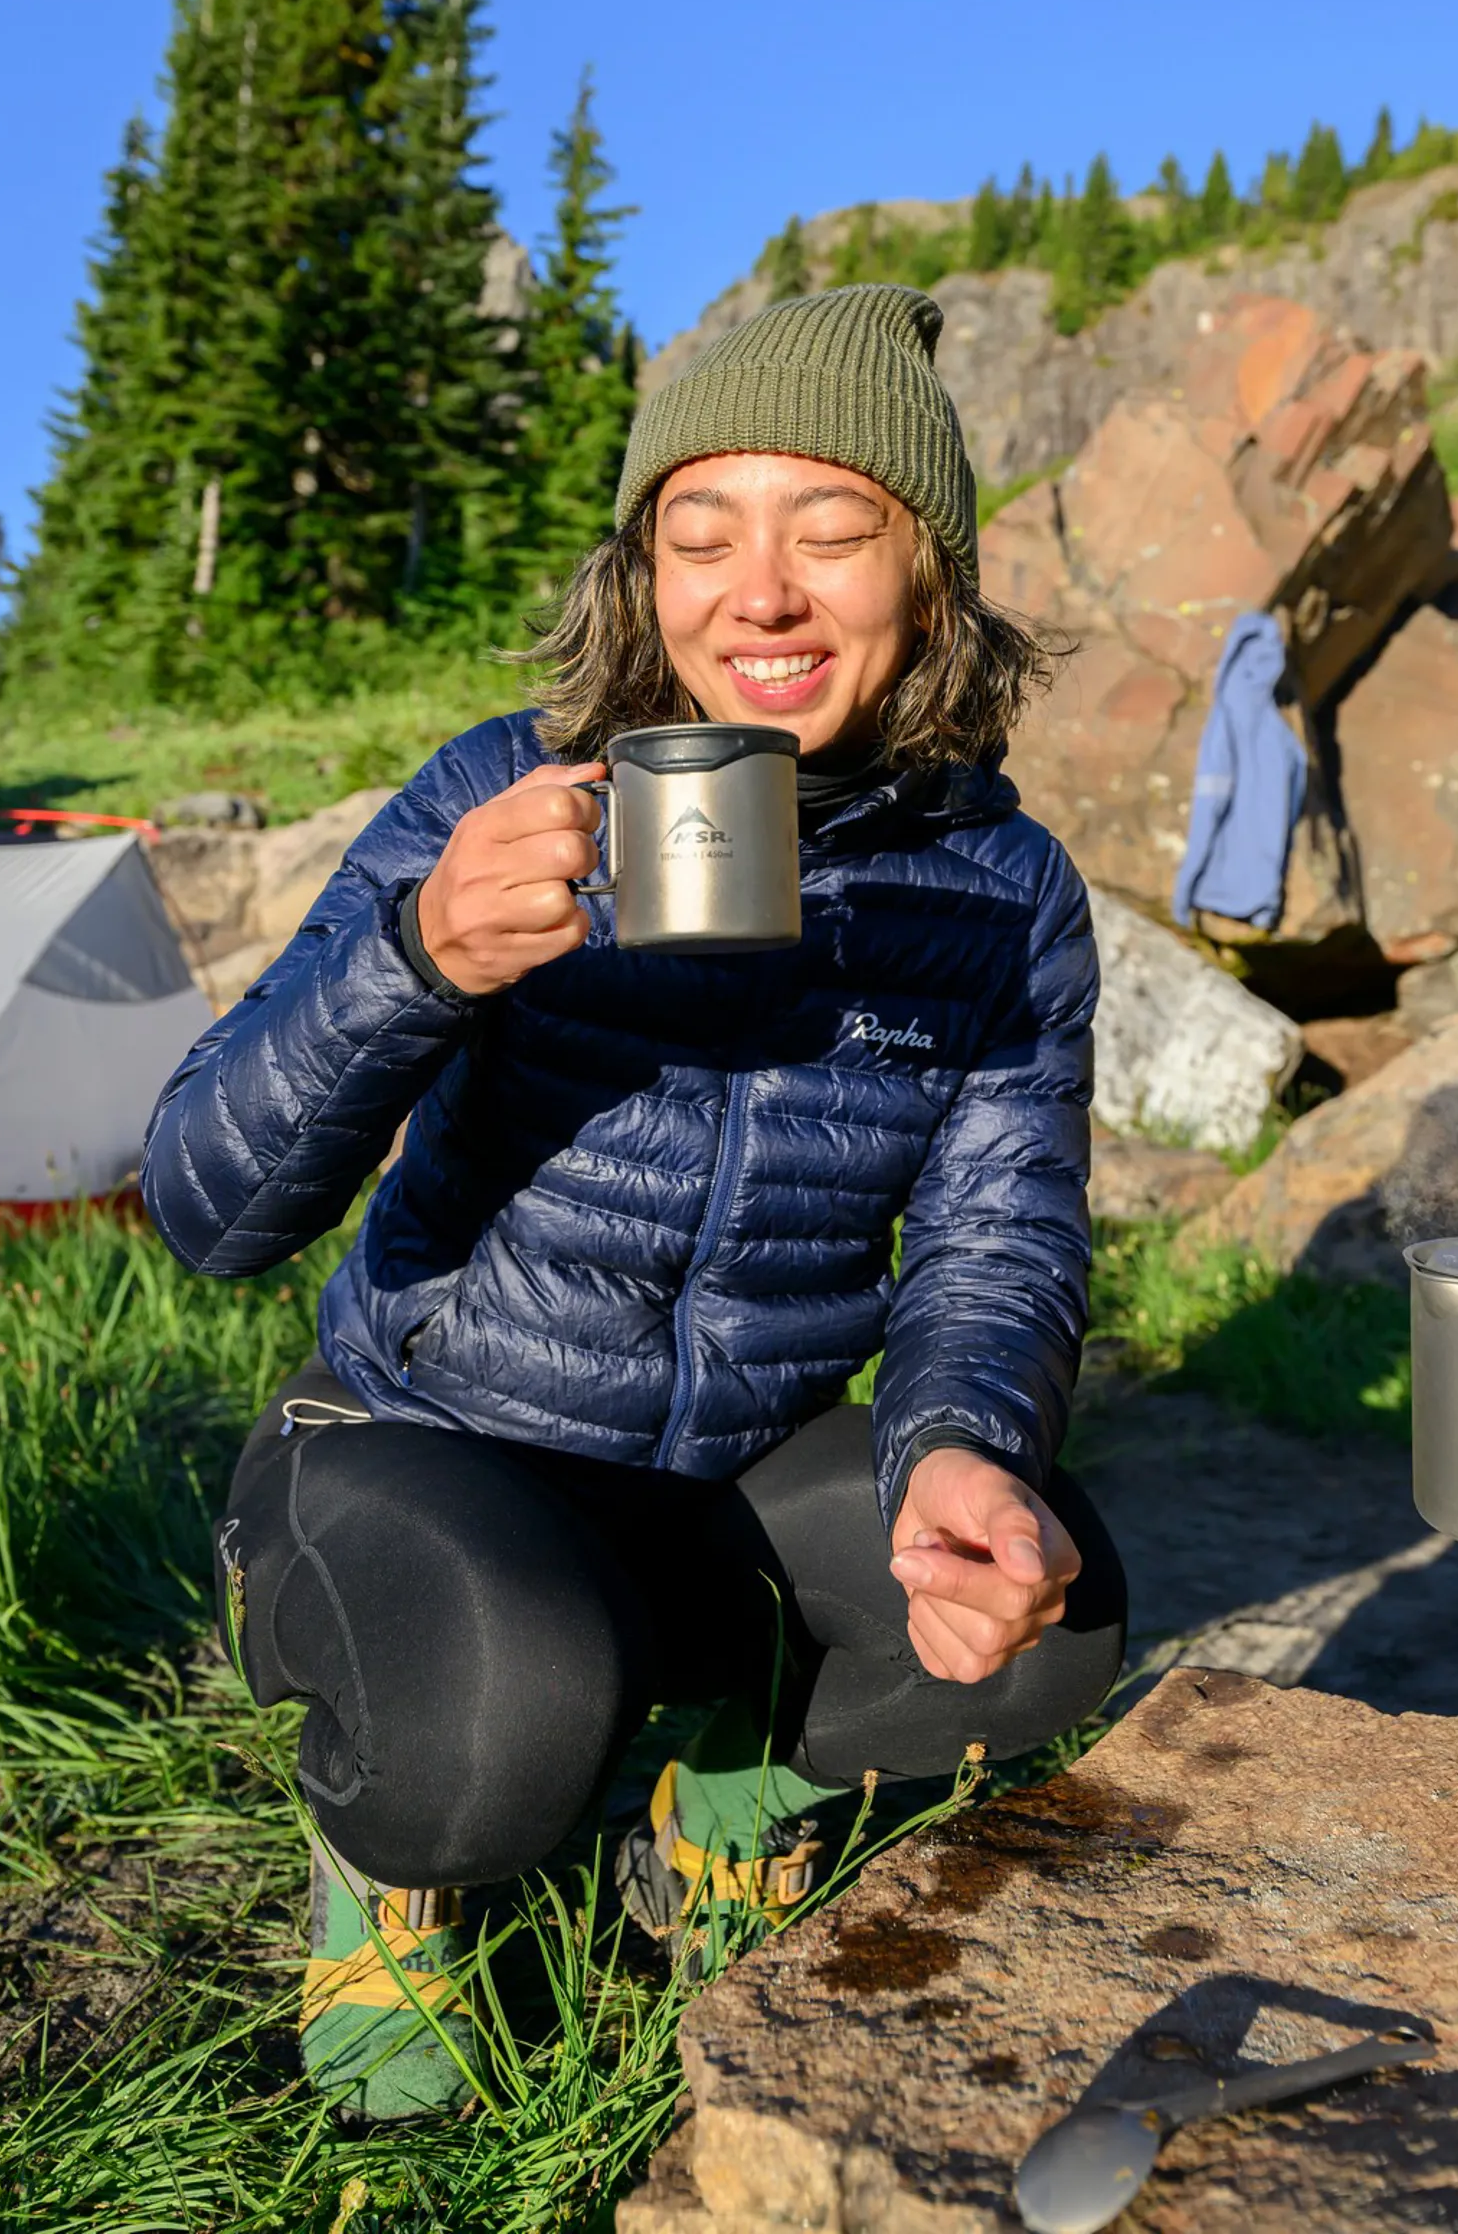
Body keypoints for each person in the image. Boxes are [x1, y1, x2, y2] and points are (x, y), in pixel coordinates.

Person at [143, 281, 1126, 2118]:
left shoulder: (1003, 893)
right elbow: (209, 1207)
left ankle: (724, 1796)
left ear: (930, 578)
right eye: (701, 533)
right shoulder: (495, 794)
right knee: (506, 1699)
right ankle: (394, 1871)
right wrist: (419, 960)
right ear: (641, 573)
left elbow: (997, 1242)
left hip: (733, 1467)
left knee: (1050, 1605)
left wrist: (965, 1447)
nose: (761, 594)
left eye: (833, 529)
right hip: (427, 1441)